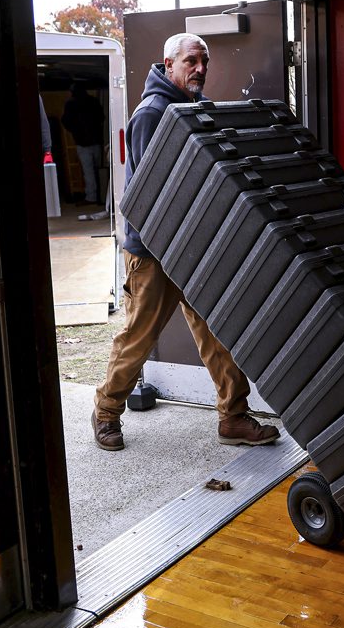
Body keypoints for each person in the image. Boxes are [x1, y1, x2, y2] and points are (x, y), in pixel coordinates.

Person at [91, 33, 280, 451]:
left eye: (204, 62)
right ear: (169, 64)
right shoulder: (153, 113)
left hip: (192, 248)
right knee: (139, 337)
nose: (200, 69)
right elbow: (146, 193)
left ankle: (233, 417)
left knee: (218, 331)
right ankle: (105, 413)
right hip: (154, 252)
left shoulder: (193, 108)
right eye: (191, 61)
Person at [61, 82, 105, 205]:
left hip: (82, 142)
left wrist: (75, 131)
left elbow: (65, 121)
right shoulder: (93, 101)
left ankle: (91, 197)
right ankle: (102, 196)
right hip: (97, 140)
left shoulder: (70, 104)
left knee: (88, 171)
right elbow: (101, 117)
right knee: (100, 170)